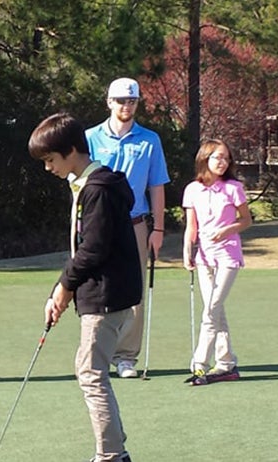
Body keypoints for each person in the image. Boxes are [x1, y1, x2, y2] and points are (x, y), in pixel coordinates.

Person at [30, 112, 139, 462]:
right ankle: (115, 446)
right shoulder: (90, 186)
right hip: (102, 292)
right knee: (89, 370)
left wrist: (63, 287)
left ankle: (111, 455)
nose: (48, 168)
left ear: (73, 150)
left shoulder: (99, 190)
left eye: (51, 159)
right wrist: (62, 288)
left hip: (105, 296)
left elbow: (93, 249)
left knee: (91, 375)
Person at [85, 77, 170, 378]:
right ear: (109, 102)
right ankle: (97, 353)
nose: (126, 106)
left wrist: (158, 229)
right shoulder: (91, 137)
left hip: (134, 223)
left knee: (134, 290)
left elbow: (156, 186)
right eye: (121, 100)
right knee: (96, 286)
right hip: (97, 224)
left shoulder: (150, 140)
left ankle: (126, 357)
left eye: (131, 101)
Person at [182, 139, 252, 385]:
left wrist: (227, 230)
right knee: (216, 310)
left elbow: (246, 220)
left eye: (226, 158)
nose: (222, 162)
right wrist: (187, 252)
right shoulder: (192, 189)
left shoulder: (234, 188)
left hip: (228, 255)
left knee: (211, 311)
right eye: (217, 157)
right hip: (204, 257)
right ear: (205, 159)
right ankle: (226, 363)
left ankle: (199, 365)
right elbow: (192, 226)